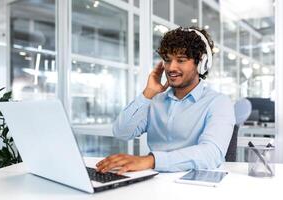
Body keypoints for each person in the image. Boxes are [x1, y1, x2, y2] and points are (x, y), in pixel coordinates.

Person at [96, 27, 235, 174]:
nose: (171, 67)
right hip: (155, 182)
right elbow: (121, 132)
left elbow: (211, 154)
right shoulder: (155, 101)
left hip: (197, 185)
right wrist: (147, 94)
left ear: (201, 63)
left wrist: (151, 161)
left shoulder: (218, 103)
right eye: (167, 60)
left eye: (181, 60)